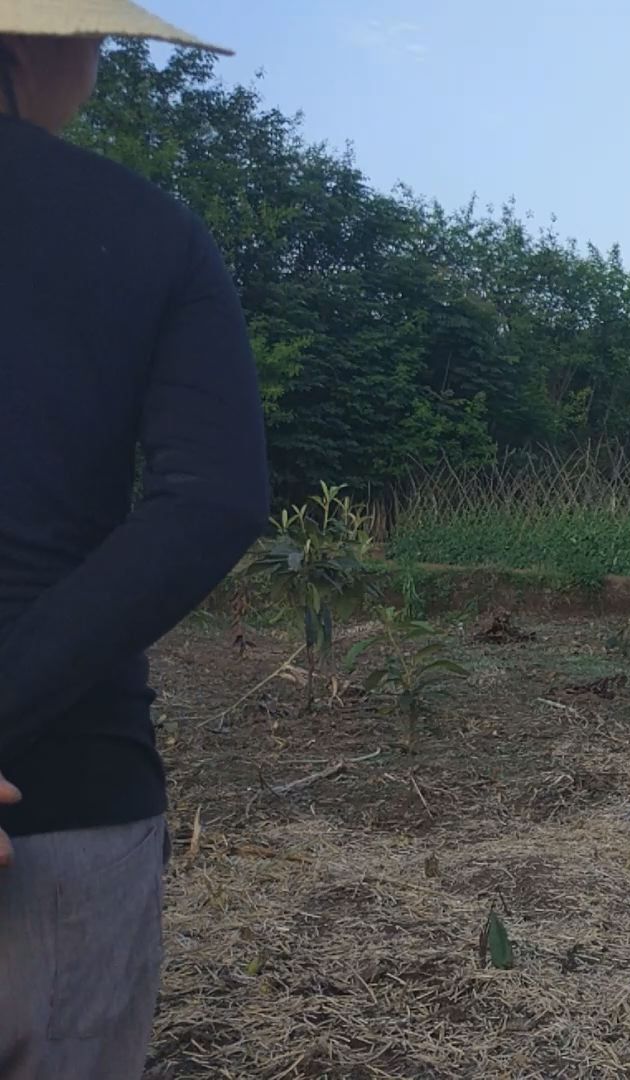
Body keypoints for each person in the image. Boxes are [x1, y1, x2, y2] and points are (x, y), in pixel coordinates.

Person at [0, 5, 270, 1077]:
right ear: (32, 46)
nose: (100, 60)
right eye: (96, 36)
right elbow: (211, 498)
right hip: (63, 797)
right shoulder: (148, 229)